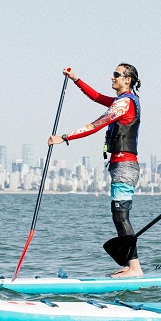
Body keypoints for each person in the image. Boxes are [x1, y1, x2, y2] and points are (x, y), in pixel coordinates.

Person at [48, 64, 144, 277]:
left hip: (125, 166)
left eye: (117, 75)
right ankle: (131, 265)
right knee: (118, 215)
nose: (112, 77)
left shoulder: (125, 103)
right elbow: (97, 97)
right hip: (119, 165)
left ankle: (135, 267)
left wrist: (63, 138)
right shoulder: (120, 102)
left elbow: (97, 124)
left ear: (128, 80)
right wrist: (75, 79)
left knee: (121, 216)